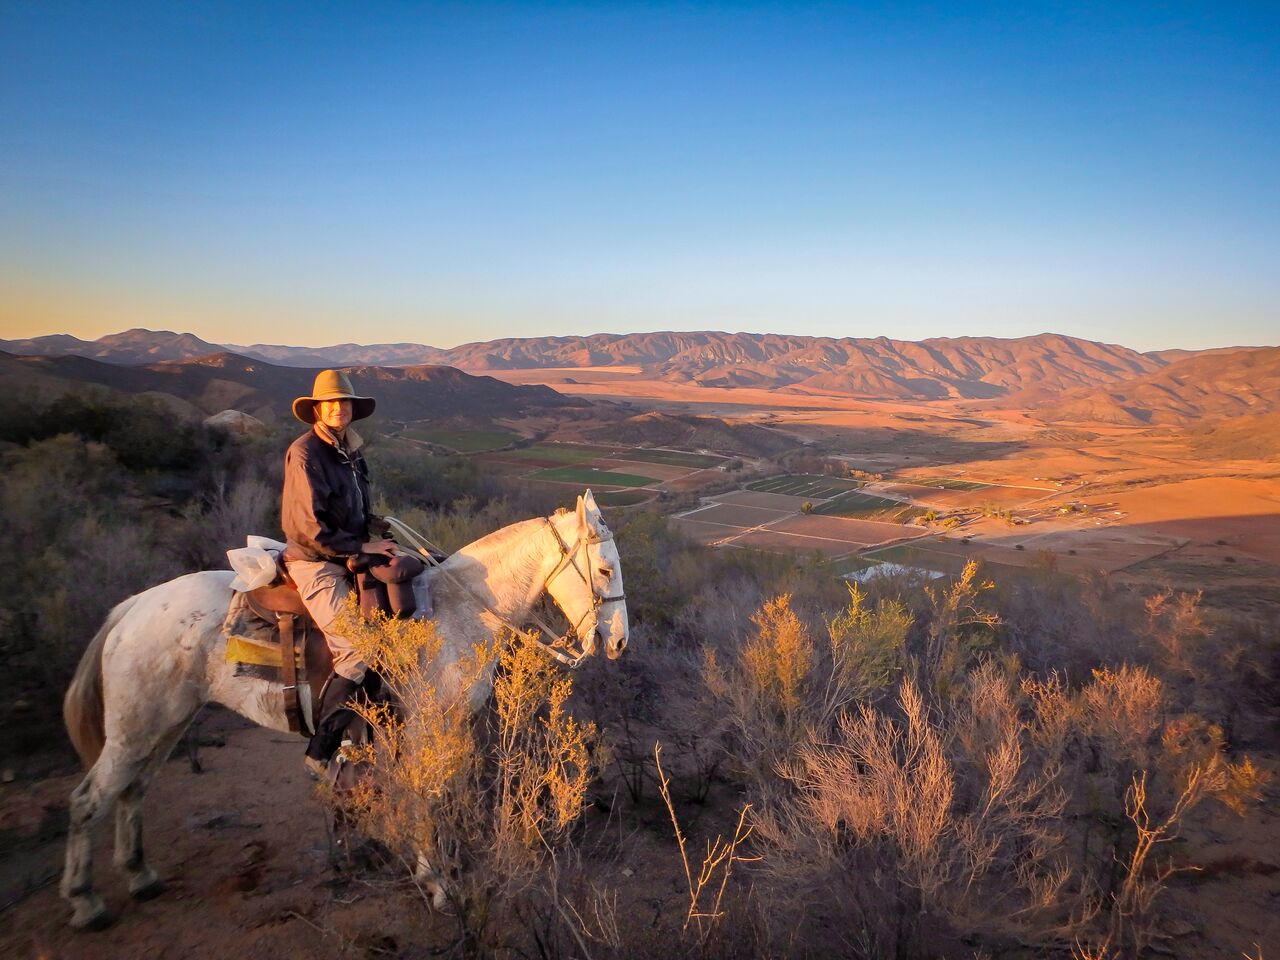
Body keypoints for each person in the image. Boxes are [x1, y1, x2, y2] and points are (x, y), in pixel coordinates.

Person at [282, 369, 398, 777]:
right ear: (316, 408)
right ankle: (321, 751)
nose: (337, 408)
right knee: (358, 650)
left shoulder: (350, 450)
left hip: (347, 550)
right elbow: (307, 527)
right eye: (329, 402)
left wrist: (376, 526)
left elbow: (353, 509)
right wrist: (360, 546)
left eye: (344, 402)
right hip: (315, 561)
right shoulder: (306, 452)